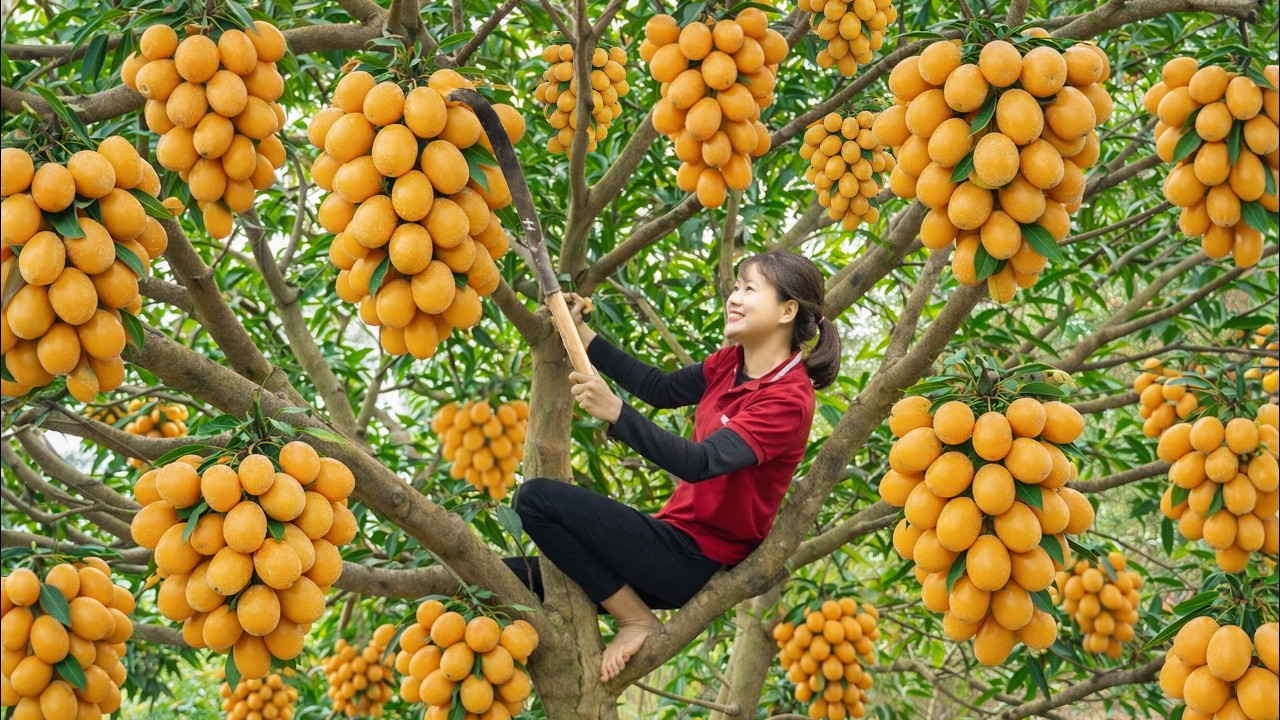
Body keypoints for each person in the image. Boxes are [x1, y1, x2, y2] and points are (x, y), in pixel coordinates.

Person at [502, 250, 842, 683]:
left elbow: (701, 463)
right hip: (663, 541)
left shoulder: (788, 400)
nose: (733, 298)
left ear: (787, 310)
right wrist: (581, 332)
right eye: (735, 286)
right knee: (514, 577)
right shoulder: (730, 363)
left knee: (535, 500)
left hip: (690, 558)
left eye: (749, 289)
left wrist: (617, 413)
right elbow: (659, 388)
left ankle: (636, 620)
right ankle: (624, 616)